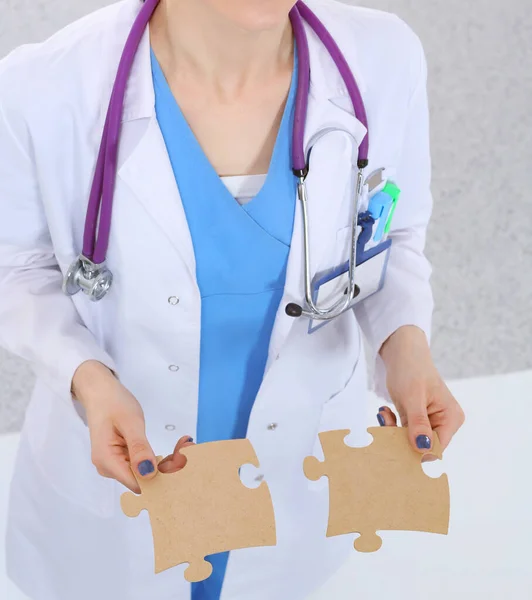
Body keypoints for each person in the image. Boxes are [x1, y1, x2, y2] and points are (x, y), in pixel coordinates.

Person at [0, 0, 465, 599]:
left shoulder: (381, 56)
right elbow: (18, 267)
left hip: (302, 476)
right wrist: (86, 376)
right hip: (118, 491)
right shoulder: (43, 86)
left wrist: (406, 347)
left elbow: (390, 232)